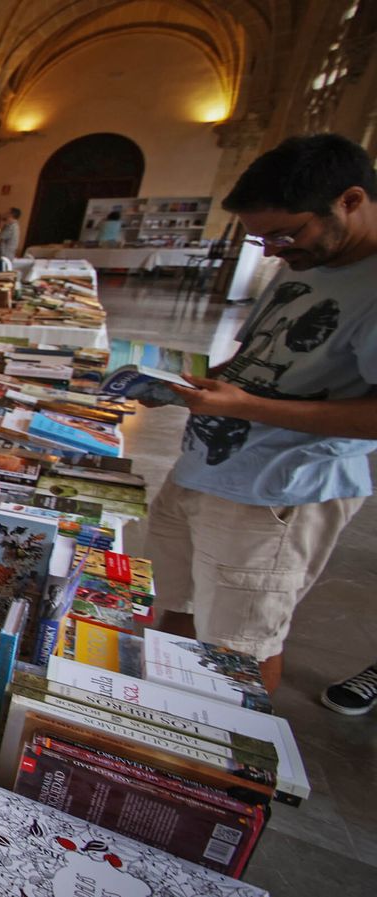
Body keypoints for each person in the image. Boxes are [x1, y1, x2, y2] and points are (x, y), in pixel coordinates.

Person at [147, 134, 377, 696]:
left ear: (350, 200)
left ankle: (223, 772)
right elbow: (262, 356)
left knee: (239, 648)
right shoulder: (310, 258)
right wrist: (196, 384)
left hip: (275, 490)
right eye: (261, 237)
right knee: (174, 605)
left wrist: (246, 405)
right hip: (206, 467)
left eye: (285, 232)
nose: (272, 250)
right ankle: (163, 729)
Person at [0, 207, 21, 276]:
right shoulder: (10, 226)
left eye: (6, 212)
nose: (4, 213)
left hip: (2, 258)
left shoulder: (11, 227)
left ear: (11, 215)